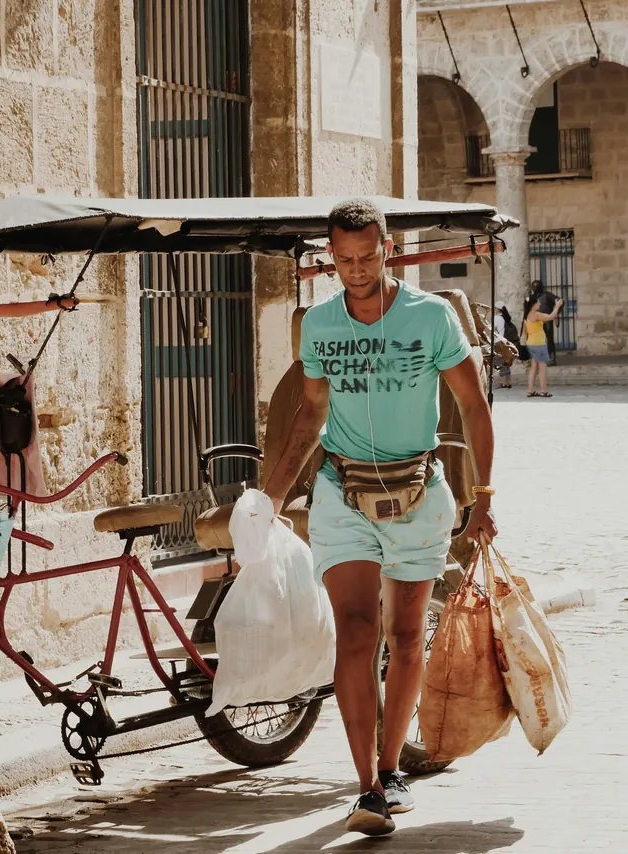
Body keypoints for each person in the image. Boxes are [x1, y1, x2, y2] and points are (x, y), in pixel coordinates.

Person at [262, 198, 496, 837]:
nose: (357, 270)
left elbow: (473, 405)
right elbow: (310, 416)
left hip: (420, 493)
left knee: (407, 634)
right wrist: (271, 497)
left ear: (386, 249)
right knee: (358, 632)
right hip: (343, 492)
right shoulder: (320, 325)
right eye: (344, 260)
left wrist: (487, 498)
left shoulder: (433, 316)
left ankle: (392, 770)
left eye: (367, 257)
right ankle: (366, 785)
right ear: (330, 257)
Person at [523, 295, 563, 397]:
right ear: (533, 305)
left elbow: (525, 333)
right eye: (537, 302)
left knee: (534, 367)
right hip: (539, 343)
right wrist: (557, 306)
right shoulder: (535, 314)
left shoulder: (526, 315)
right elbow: (551, 317)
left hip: (531, 343)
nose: (539, 304)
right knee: (542, 368)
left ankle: (530, 390)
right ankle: (544, 390)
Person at [493, 300, 515, 388]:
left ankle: (503, 382)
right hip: (505, 341)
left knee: (500, 362)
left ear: (497, 309)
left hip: (498, 342)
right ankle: (508, 381)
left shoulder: (497, 318)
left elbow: (493, 330)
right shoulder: (505, 318)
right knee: (506, 362)